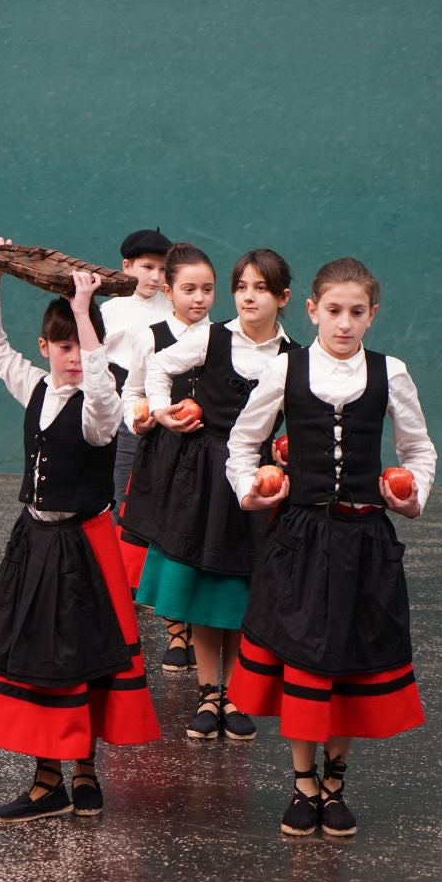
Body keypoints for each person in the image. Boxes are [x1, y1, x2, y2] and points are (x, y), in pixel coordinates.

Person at [225, 257, 436, 837]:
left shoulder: (391, 372)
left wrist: (409, 496)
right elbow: (242, 444)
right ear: (313, 310)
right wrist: (252, 491)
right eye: (335, 311)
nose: (345, 324)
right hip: (300, 540)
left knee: (349, 664)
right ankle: (302, 784)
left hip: (365, 540)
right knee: (304, 663)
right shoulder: (284, 369)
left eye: (357, 313)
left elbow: (419, 451)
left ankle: (336, 781)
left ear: (373, 315)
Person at [0, 239, 160, 823]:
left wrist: (84, 312)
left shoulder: (102, 408)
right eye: (65, 348)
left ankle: (85, 772)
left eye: (82, 347)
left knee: (84, 657)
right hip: (35, 542)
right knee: (38, 656)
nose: (75, 358)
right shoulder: (35, 388)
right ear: (45, 348)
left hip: (84, 546)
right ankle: (46, 779)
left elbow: (102, 393)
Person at [127, 246, 299, 741]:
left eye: (261, 289)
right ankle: (210, 693)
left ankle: (238, 695)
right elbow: (158, 370)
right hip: (203, 477)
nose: (248, 297)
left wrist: (286, 455)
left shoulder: (295, 357)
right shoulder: (210, 337)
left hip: (257, 481)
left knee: (243, 589)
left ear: (283, 297)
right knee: (203, 587)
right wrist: (162, 413)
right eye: (242, 287)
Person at [116, 242, 215, 672]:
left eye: (207, 290)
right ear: (169, 291)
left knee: (202, 543)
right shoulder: (148, 337)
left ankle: (203, 630)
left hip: (211, 458)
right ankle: (178, 634)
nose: (198, 299)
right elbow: (133, 392)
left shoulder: (225, 336)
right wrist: (138, 418)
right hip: (162, 454)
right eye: (189, 289)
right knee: (168, 544)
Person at [101, 228, 174, 514]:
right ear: (127, 266)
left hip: (166, 404)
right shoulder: (110, 310)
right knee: (122, 487)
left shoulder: (173, 306)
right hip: (123, 408)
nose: (155, 277)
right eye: (147, 267)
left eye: (162, 269)